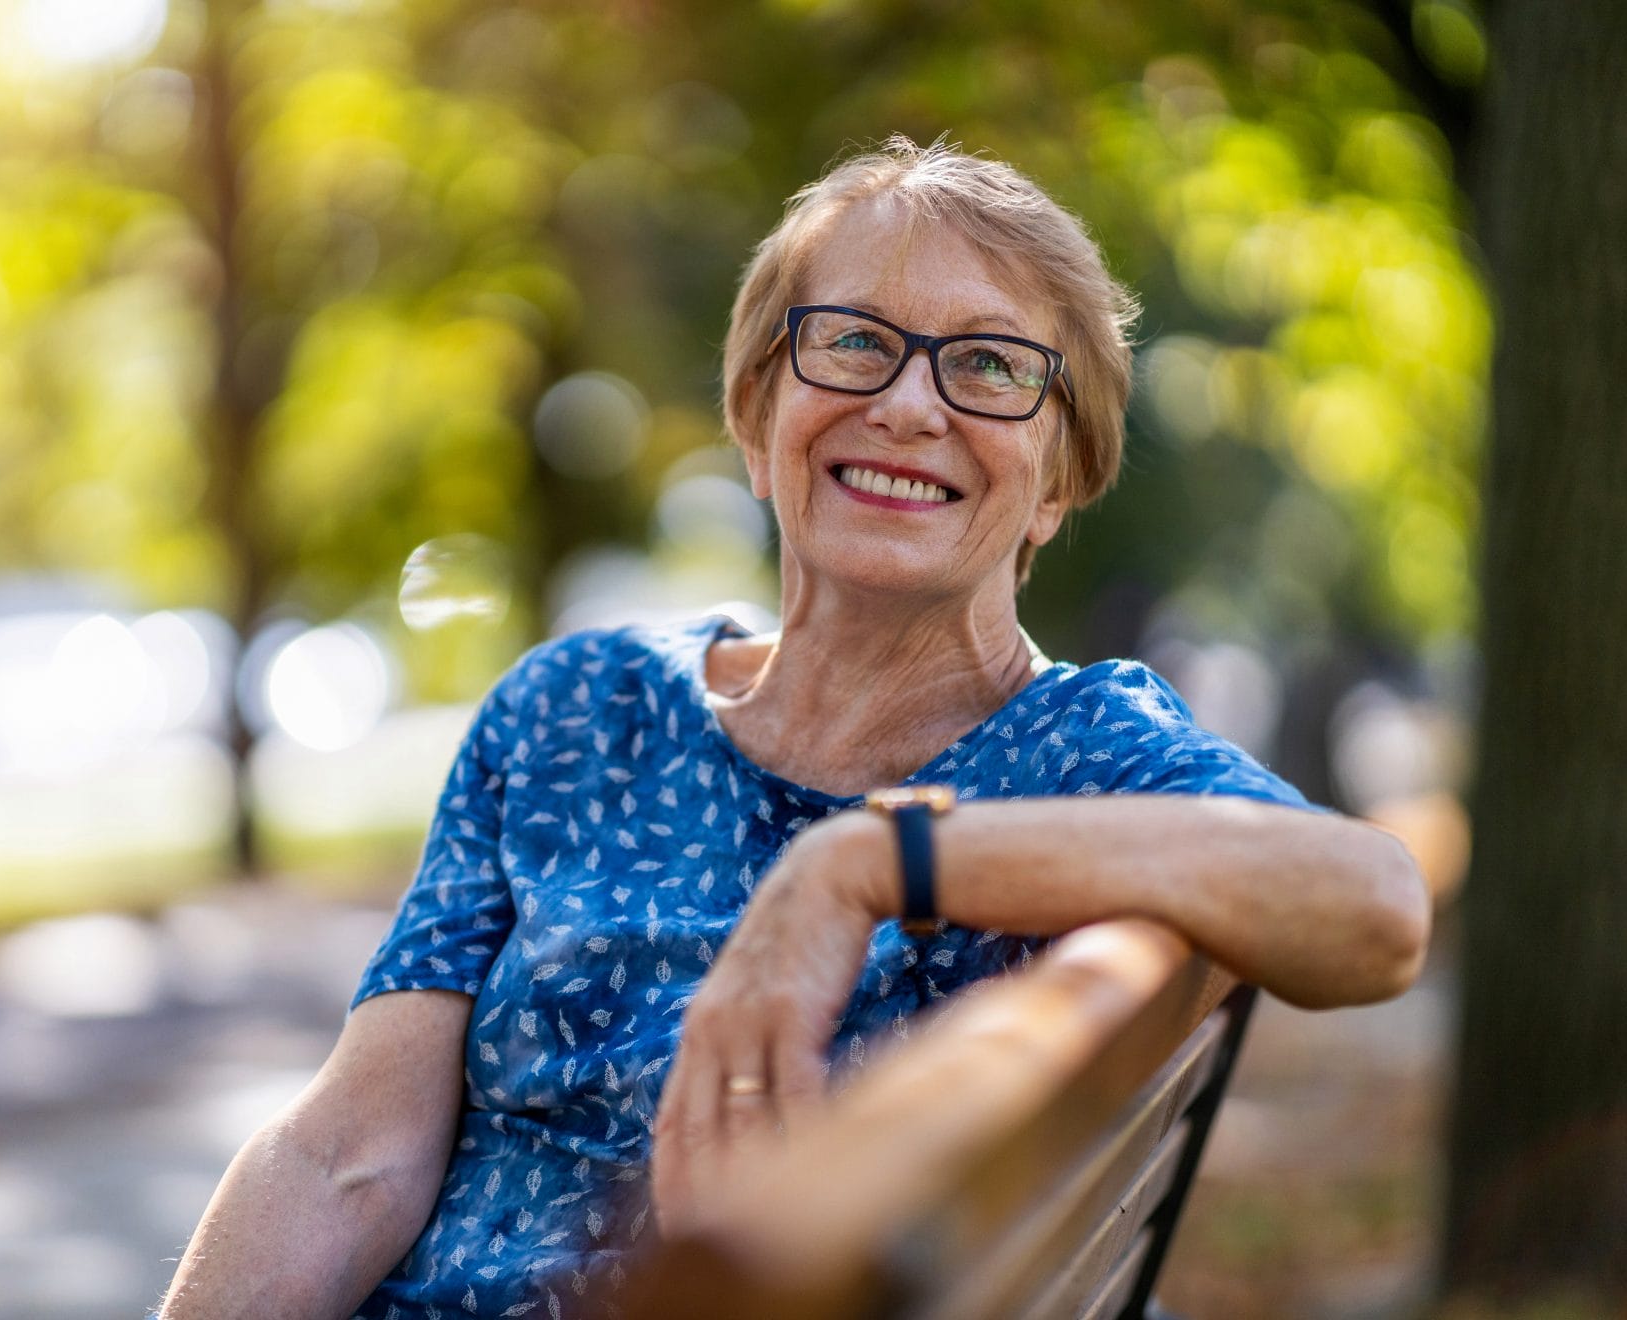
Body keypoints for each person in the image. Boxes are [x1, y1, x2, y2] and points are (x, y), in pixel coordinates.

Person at [149, 136, 1429, 1320]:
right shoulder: (575, 710)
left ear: (1061, 481)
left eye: (989, 365)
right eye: (853, 342)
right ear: (756, 424)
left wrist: (874, 865)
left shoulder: (1081, 754)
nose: (912, 406)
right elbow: (344, 1160)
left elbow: (1374, 905)